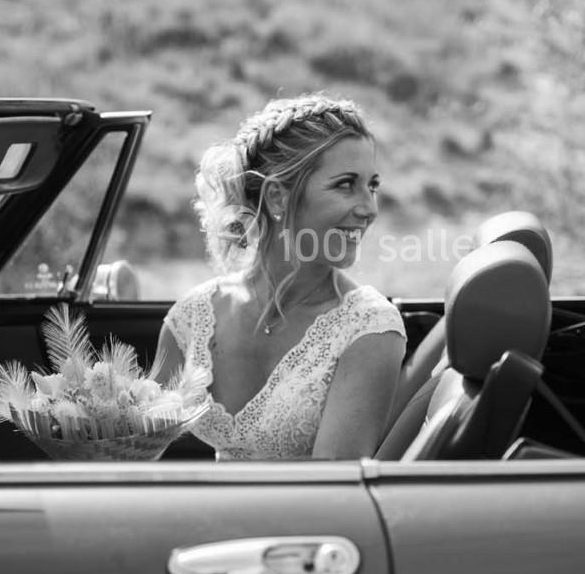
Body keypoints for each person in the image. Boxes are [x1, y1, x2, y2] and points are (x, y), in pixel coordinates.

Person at [154, 94, 406, 460]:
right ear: (277, 197)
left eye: (372, 185)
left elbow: (333, 493)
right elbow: (132, 453)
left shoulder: (370, 329)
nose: (369, 209)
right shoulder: (192, 319)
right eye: (346, 184)